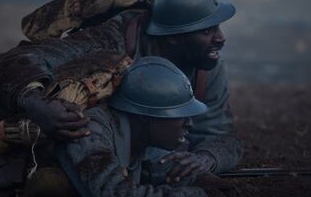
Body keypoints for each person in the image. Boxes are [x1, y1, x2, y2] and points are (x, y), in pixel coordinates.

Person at [0, 0, 241, 187]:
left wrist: (204, 160)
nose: (221, 38)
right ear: (176, 37)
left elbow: (221, 136)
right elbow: (21, 61)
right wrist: (38, 105)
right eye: (207, 30)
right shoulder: (110, 41)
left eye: (217, 27)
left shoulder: (205, 64)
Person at [56, 56, 210, 197]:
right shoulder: (89, 131)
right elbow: (115, 193)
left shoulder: (142, 136)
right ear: (145, 116)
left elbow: (167, 167)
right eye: (180, 116)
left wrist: (212, 183)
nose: (189, 123)